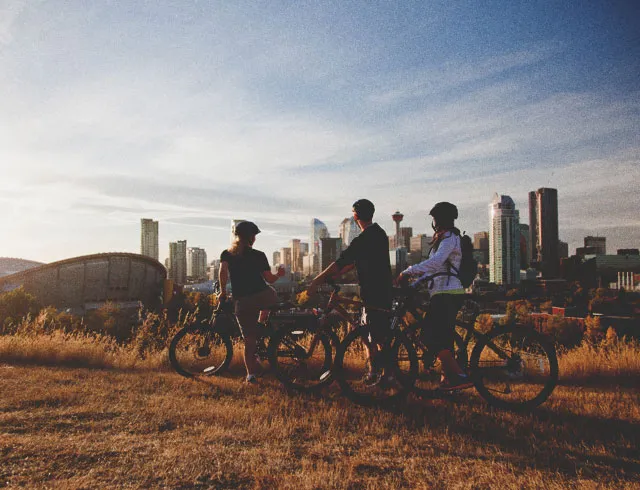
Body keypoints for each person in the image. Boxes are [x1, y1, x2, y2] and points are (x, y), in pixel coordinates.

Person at [306, 199, 393, 384]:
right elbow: (354, 263)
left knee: (372, 335)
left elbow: (342, 261)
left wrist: (317, 280)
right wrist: (335, 276)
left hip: (373, 291)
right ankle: (382, 374)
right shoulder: (379, 234)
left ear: (355, 216)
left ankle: (381, 375)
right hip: (382, 289)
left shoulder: (364, 238)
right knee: (374, 333)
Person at [395, 202, 473, 391]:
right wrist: (414, 283)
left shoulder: (450, 238)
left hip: (448, 294)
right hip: (442, 293)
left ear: (439, 220)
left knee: (429, 337)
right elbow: (434, 270)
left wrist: (408, 271)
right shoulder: (444, 239)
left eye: (435, 218)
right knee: (443, 339)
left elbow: (435, 263)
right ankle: (448, 380)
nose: (434, 222)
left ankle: (460, 376)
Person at [219, 221, 285, 384]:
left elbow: (222, 272)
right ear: (251, 237)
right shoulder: (259, 255)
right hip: (263, 296)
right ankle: (263, 324)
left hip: (242, 300)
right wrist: (279, 274)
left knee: (249, 341)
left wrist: (223, 292)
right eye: (254, 235)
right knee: (271, 296)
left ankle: (251, 376)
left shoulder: (227, 254)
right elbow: (269, 279)